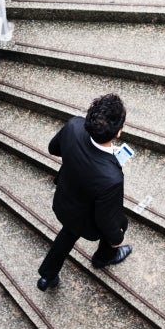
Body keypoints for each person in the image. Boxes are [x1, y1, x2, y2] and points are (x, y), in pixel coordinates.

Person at [37, 93, 133, 291]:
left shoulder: (74, 126)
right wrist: (117, 240)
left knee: (68, 232)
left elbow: (53, 148)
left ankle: (47, 275)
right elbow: (107, 220)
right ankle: (103, 258)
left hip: (65, 200)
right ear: (118, 133)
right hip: (87, 218)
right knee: (118, 224)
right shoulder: (112, 178)